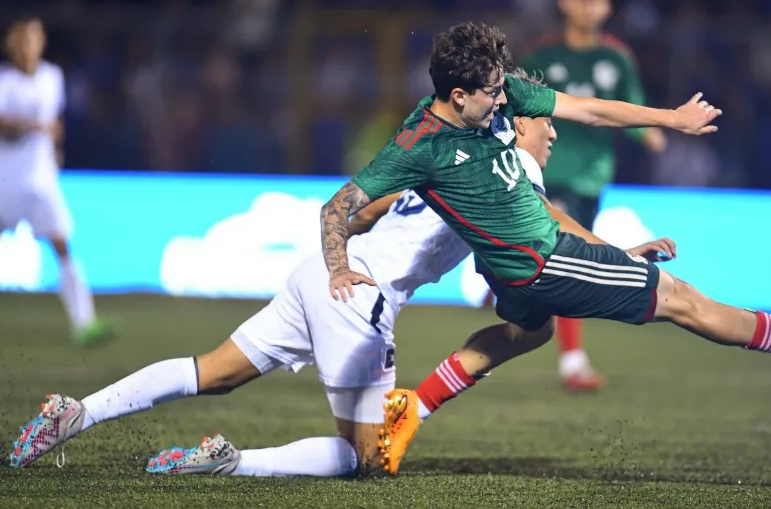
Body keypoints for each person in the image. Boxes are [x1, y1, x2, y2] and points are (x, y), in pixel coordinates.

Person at [9, 92, 669, 476]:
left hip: (320, 279)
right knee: (369, 459)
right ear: (514, 128)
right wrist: (619, 254)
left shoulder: (441, 159)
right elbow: (549, 227)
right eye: (538, 120)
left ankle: (76, 413)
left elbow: (366, 209)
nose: (546, 129)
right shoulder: (505, 173)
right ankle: (234, 461)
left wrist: (337, 261)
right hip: (362, 299)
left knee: (214, 371)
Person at [313, 21, 771, 476]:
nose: (508, 100)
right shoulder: (417, 146)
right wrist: (338, 268)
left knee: (529, 332)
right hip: (542, 263)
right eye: (495, 94)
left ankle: (416, 405)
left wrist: (669, 118)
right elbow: (337, 208)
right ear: (458, 95)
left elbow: (592, 110)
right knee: (682, 299)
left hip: (516, 264)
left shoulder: (496, 97)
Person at [518, 0, 667, 391]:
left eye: (599, 0)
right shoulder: (541, 56)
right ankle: (572, 361)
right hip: (546, 172)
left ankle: (503, 281)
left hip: (592, 175)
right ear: (565, 3)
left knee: (556, 261)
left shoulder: (617, 58)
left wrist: (649, 131)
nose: (591, 7)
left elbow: (628, 107)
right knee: (567, 258)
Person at [0, 18, 112, 347]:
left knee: (62, 245)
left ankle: (85, 324)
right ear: (13, 45)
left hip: (41, 178)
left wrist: (55, 143)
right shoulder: (5, 81)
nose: (29, 45)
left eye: (35, 38)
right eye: (23, 40)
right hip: (8, 177)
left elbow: (56, 123)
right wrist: (34, 127)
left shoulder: (52, 77)